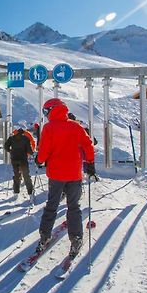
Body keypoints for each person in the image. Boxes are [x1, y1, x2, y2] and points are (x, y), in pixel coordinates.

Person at [36, 98, 95, 258]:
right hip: (74, 174)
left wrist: (39, 160)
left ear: (52, 110)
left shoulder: (49, 128)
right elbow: (88, 144)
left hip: (56, 175)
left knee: (51, 206)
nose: (46, 115)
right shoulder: (75, 126)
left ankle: (45, 236)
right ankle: (76, 238)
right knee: (73, 206)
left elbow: (44, 149)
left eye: (46, 111)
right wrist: (90, 162)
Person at [4, 121, 34, 198]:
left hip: (14, 159)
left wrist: (10, 151)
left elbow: (5, 146)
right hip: (23, 159)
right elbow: (29, 151)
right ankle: (30, 193)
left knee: (16, 175)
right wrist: (32, 152)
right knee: (26, 175)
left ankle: (16, 191)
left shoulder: (12, 138)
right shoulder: (26, 138)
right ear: (23, 131)